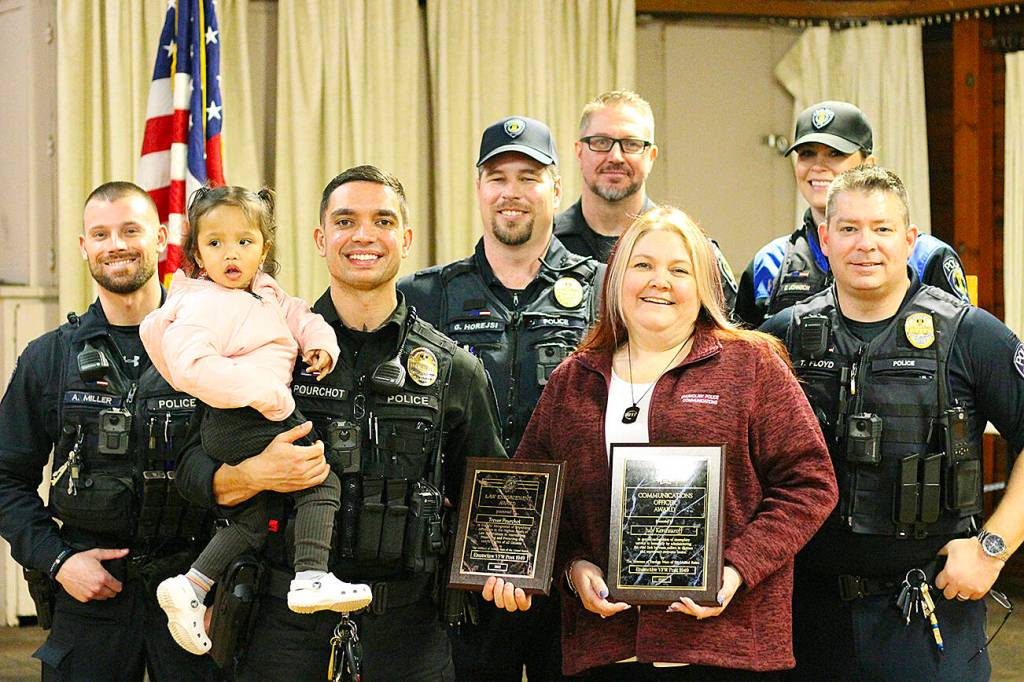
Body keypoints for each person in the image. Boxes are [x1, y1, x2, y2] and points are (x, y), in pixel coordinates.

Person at [174, 165, 506, 681]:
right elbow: (189, 468)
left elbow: (491, 495)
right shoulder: (263, 344)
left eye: (383, 221)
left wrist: (505, 569)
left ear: (406, 238)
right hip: (281, 630)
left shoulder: (453, 370)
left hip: (408, 633)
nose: (364, 235)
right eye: (346, 221)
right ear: (321, 238)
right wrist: (253, 476)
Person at [488, 205, 838, 678]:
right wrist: (573, 569)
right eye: (643, 266)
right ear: (614, 280)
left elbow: (811, 484)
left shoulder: (751, 365)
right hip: (607, 651)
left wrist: (735, 570)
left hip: (725, 647)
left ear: (704, 287)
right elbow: (536, 505)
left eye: (679, 269)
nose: (660, 281)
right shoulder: (573, 381)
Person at [760, 165, 1024, 680]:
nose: (866, 244)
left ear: (909, 240)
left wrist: (993, 549)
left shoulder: (971, 335)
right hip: (805, 614)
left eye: (882, 229)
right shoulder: (781, 337)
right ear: (825, 240)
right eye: (850, 229)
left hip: (928, 611)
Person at [400, 116, 603, 681]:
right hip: (458, 562)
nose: (512, 191)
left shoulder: (605, 291)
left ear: (557, 189)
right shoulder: (424, 295)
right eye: (498, 177)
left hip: (572, 562)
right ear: (479, 188)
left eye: (529, 176)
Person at [139, 186, 373, 655]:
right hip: (241, 417)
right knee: (321, 481)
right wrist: (266, 394)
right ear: (197, 254)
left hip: (253, 413)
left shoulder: (265, 292)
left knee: (254, 516)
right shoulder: (201, 303)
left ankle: (191, 586)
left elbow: (300, 315)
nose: (231, 254)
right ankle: (310, 577)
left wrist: (321, 343)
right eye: (216, 243)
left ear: (263, 249)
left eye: (244, 242)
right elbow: (191, 368)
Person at [0, 182, 219, 680]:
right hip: (90, 590)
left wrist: (221, 578)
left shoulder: (210, 348)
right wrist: (57, 561)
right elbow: (5, 477)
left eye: (130, 230)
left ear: (162, 240)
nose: (115, 244)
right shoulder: (51, 357)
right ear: (84, 247)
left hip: (193, 588)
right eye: (100, 234)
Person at [736, 100, 969, 327]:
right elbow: (742, 357)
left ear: (869, 165)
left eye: (835, 153)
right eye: (807, 153)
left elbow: (960, 345)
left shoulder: (926, 256)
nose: (818, 166)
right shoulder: (770, 262)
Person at [554, 90, 738, 310]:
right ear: (579, 151)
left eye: (631, 144)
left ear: (651, 156)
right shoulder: (545, 245)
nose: (615, 157)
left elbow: (727, 338)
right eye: (601, 142)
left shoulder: (691, 249)